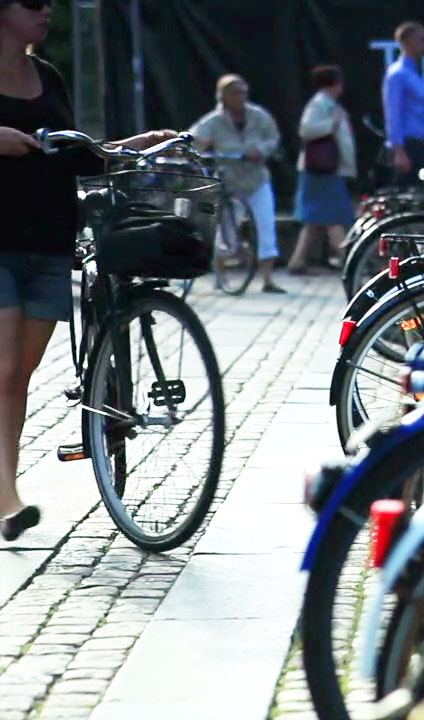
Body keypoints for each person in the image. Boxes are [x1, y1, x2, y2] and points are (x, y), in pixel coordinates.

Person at [0, 0, 175, 541]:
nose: (45, 10)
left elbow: (78, 152)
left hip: (51, 243)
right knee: (4, 368)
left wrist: (128, 148)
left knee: (18, 375)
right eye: (32, 2)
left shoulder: (47, 75)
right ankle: (7, 497)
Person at [189, 74, 286, 293]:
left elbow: (273, 138)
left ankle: (267, 279)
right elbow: (194, 139)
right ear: (224, 96)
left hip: (256, 178)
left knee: (265, 225)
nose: (241, 97)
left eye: (243, 92)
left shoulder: (259, 116)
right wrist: (202, 149)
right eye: (235, 92)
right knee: (225, 231)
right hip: (229, 180)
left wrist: (260, 150)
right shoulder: (213, 120)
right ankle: (221, 273)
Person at [290, 65, 355, 274]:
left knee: (314, 219)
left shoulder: (328, 104)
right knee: (333, 216)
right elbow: (306, 130)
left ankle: (297, 261)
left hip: (325, 170)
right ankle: (347, 260)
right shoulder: (319, 104)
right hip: (322, 170)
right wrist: (332, 123)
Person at [383, 20, 424, 186]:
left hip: (420, 145)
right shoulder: (397, 74)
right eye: (421, 39)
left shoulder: (414, 73)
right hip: (407, 145)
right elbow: (393, 113)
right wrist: (399, 151)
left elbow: (422, 114)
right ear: (406, 42)